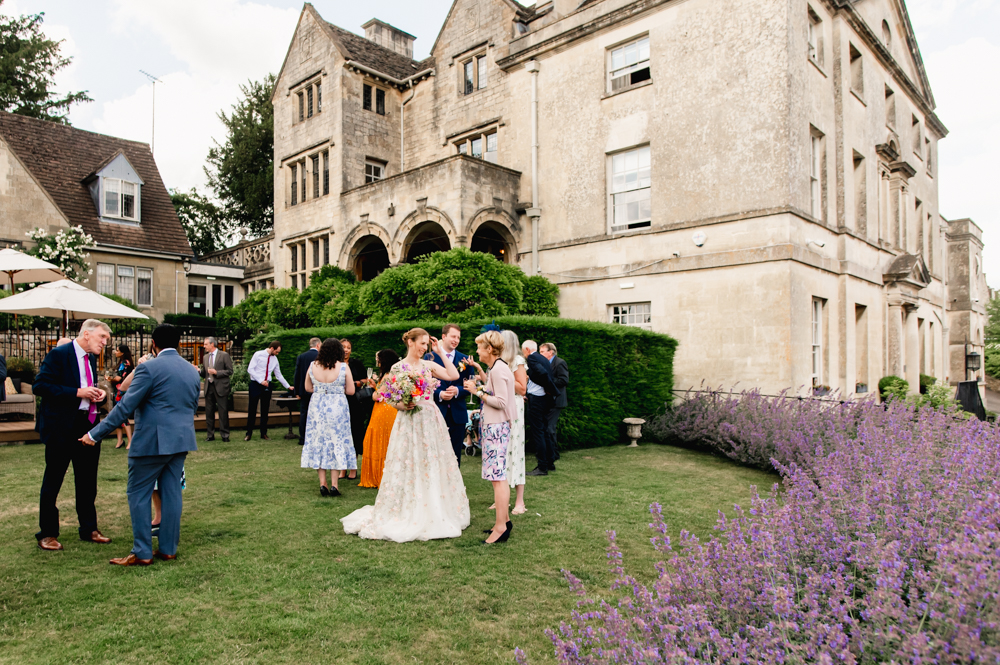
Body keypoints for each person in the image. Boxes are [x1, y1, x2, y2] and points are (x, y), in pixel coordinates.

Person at [82, 323, 200, 566]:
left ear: (154, 344)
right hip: (181, 439)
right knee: (171, 493)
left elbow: (125, 406)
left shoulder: (148, 368)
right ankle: (168, 549)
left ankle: (143, 552)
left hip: (152, 442)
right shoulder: (191, 370)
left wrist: (94, 434)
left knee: (138, 493)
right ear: (177, 343)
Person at [342, 328, 469, 542]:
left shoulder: (429, 365)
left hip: (430, 419)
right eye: (422, 343)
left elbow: (454, 375)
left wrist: (438, 350)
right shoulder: (397, 368)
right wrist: (403, 405)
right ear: (410, 342)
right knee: (410, 461)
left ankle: (434, 507)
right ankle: (409, 506)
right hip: (409, 420)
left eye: (427, 344)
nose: (424, 348)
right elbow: (388, 397)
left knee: (431, 462)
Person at [33, 319, 113, 552]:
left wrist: (99, 394)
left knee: (88, 480)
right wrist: (78, 392)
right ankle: (47, 533)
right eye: (102, 337)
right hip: (60, 429)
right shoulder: (59, 355)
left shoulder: (90, 358)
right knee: (53, 481)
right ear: (87, 334)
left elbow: (87, 386)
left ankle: (89, 528)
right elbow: (41, 386)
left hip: (86, 426)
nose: (105, 343)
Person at [464, 330, 517, 544]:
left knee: (498, 478)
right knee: (497, 477)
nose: (477, 350)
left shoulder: (498, 369)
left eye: (479, 347)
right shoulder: (494, 368)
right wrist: (480, 388)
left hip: (496, 427)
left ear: (489, 349)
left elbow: (502, 402)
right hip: (494, 426)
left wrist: (476, 392)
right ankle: (502, 521)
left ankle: (501, 527)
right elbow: (494, 394)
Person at [301, 338, 356, 496]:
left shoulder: (313, 366)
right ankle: (334, 485)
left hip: (317, 406)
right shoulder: (343, 367)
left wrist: (321, 390)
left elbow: (307, 387)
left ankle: (322, 483)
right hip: (337, 406)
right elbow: (351, 391)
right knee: (336, 442)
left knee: (319, 441)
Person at [427, 324, 476, 466]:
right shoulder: (429, 357)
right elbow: (423, 385)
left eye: (458, 337)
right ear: (444, 336)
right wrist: (439, 394)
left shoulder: (465, 359)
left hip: (458, 414)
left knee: (455, 454)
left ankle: (454, 486)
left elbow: (472, 386)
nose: (456, 340)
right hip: (437, 411)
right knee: (435, 451)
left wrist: (458, 391)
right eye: (453, 336)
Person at [358, 348, 400, 488]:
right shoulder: (389, 375)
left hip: (383, 411)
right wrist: (376, 385)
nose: (377, 361)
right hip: (385, 410)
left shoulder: (387, 376)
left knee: (379, 438)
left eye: (378, 358)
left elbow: (377, 396)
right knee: (384, 439)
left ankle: (379, 475)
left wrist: (374, 390)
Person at [523, 340, 560, 476]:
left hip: (537, 399)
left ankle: (542, 466)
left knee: (538, 432)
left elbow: (542, 374)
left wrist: (544, 386)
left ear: (527, 349)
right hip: (544, 398)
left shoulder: (532, 357)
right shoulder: (542, 358)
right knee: (544, 431)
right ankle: (550, 462)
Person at [502, 330, 528, 513]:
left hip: (514, 409)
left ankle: (520, 502)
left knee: (516, 450)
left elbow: (522, 389)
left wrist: (505, 375)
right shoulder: (498, 362)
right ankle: (502, 498)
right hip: (500, 408)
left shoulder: (518, 361)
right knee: (501, 452)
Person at [244, 341, 289, 441]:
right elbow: (250, 369)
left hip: (267, 385)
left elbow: (278, 375)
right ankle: (248, 433)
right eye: (277, 352)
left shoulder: (275, 359)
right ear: (272, 348)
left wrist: (288, 386)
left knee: (265, 410)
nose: (277, 354)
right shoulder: (258, 354)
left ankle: (263, 433)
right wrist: (260, 381)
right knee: (252, 409)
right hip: (255, 384)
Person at [340, 338, 368, 481]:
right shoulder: (334, 365)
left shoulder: (356, 364)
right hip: (339, 403)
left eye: (348, 347)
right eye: (343, 347)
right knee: (341, 436)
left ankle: (353, 468)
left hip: (355, 404)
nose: (346, 350)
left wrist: (354, 383)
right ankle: (342, 468)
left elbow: (366, 380)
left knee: (354, 434)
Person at [200, 336, 233, 442]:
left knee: (223, 412)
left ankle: (225, 435)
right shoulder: (205, 357)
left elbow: (230, 371)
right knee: (209, 412)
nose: (204, 346)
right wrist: (198, 370)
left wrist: (217, 373)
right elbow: (204, 373)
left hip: (220, 387)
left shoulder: (224, 355)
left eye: (205, 344)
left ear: (212, 344)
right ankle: (210, 435)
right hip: (208, 387)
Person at [540, 342, 569, 462]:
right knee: (547, 427)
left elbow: (564, 380)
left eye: (542, 352)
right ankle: (552, 453)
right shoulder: (544, 363)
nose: (540, 354)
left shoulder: (560, 363)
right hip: (547, 400)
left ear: (550, 352)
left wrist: (548, 380)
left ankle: (553, 454)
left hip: (556, 400)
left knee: (550, 428)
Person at [292, 338, 322, 446]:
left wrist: (297, 391)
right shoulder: (321, 357)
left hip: (304, 390)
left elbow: (297, 375)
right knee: (317, 414)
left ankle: (303, 438)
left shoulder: (302, 356)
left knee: (304, 414)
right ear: (318, 345)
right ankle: (315, 437)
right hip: (317, 390)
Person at [106, 344, 134, 450]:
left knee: (122, 415)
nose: (115, 352)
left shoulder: (124, 363)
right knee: (118, 415)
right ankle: (120, 440)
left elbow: (118, 379)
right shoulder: (126, 363)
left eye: (117, 350)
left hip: (121, 392)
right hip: (119, 391)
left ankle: (130, 441)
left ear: (122, 352)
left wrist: (110, 379)